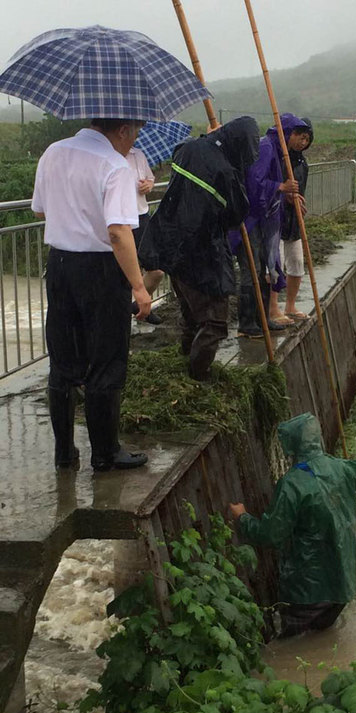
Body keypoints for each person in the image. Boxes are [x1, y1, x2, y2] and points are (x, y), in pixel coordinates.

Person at [32, 118, 152, 472]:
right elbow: (117, 232)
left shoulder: (53, 152)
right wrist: (139, 286)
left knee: (64, 361)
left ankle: (65, 453)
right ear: (122, 130)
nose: (132, 145)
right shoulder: (114, 165)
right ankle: (105, 452)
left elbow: (39, 209)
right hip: (99, 271)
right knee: (106, 359)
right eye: (134, 136)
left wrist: (72, 211)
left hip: (60, 266)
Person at [139, 116, 260, 379]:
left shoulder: (188, 149)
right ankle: (198, 375)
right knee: (214, 321)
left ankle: (185, 360)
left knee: (192, 314)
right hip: (201, 251)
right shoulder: (226, 172)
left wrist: (212, 140)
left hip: (171, 246)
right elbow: (236, 214)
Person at [229, 413, 356, 637]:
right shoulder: (340, 468)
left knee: (288, 644)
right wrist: (336, 462)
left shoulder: (292, 483)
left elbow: (271, 534)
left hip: (308, 590)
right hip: (343, 584)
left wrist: (242, 518)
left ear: (292, 445)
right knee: (324, 639)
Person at [233, 114, 312, 338]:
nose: (301, 142)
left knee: (265, 269)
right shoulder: (266, 147)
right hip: (252, 221)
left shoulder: (279, 152)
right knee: (253, 270)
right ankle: (247, 324)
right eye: (298, 136)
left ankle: (262, 319)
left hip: (265, 221)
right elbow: (254, 184)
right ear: (287, 134)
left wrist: (284, 192)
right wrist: (280, 186)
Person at [270, 117, 313, 322]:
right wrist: (284, 193)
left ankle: (290, 305)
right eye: (300, 137)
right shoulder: (278, 157)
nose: (302, 143)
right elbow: (270, 185)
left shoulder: (302, 163)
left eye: (306, 139)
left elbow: (300, 189)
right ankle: (273, 308)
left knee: (296, 261)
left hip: (294, 219)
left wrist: (299, 202)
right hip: (276, 218)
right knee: (275, 264)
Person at [125, 145, 164, 325]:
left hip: (141, 215)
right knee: (125, 272)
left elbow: (150, 178)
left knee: (156, 270)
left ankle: (138, 306)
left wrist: (149, 184)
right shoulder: (108, 155)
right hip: (121, 219)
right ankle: (123, 316)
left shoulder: (138, 154)